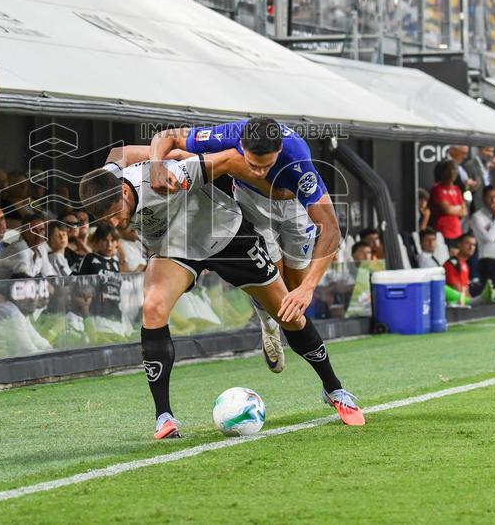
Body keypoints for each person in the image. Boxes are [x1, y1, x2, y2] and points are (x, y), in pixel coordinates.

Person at [80, 145, 362, 441]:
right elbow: (116, 152)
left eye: (115, 215)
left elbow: (229, 159)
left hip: (225, 235)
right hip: (175, 248)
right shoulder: (109, 189)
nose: (113, 224)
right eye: (105, 221)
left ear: (124, 194)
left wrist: (272, 192)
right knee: (152, 307)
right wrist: (111, 169)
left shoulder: (168, 177)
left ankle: (334, 389)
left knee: (288, 313)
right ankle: (164, 416)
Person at [148, 117, 341, 378]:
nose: (259, 171)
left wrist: (308, 289)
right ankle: (268, 324)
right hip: (251, 201)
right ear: (240, 145)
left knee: (295, 290)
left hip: (294, 205)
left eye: (267, 165)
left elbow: (330, 229)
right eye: (252, 164)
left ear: (280, 151)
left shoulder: (299, 160)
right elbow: (166, 135)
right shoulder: (226, 134)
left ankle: (284, 322)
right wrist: (156, 166)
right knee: (275, 284)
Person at [429, 159, 466, 242]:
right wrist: (458, 208)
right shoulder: (437, 189)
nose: (452, 172)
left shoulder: (457, 189)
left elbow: (464, 212)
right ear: (443, 172)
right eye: (450, 169)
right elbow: (446, 209)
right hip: (442, 233)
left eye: (455, 169)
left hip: (457, 232)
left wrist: (452, 208)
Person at [444, 234, 476, 306]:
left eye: (474, 245)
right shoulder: (452, 263)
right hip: (452, 304)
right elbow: (455, 288)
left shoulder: (465, 265)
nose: (471, 247)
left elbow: (466, 289)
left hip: (463, 301)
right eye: (468, 243)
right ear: (459, 244)